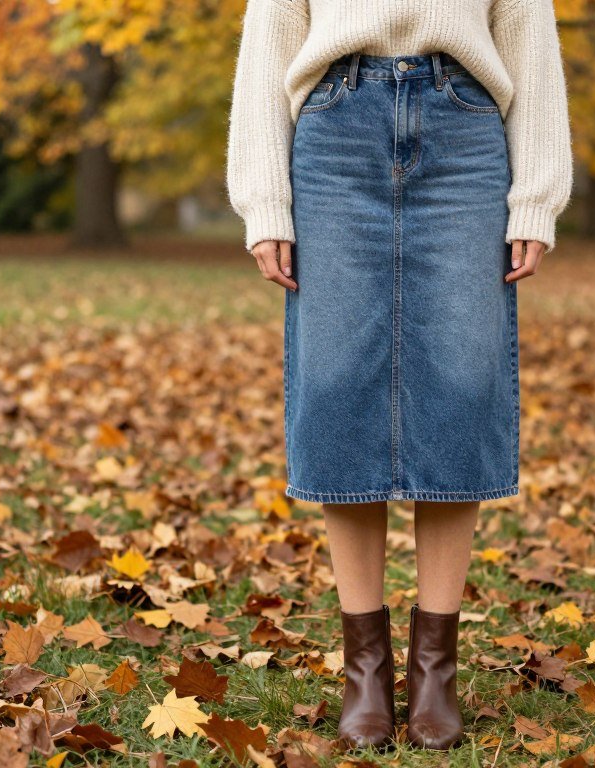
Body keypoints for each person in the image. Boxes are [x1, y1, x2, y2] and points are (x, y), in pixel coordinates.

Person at [226, 0, 573, 752]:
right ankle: (365, 674)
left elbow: (528, 33)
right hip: (334, 130)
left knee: (461, 382)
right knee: (337, 387)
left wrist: (536, 193)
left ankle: (435, 673)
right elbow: (271, 33)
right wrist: (265, 201)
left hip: (466, 128)